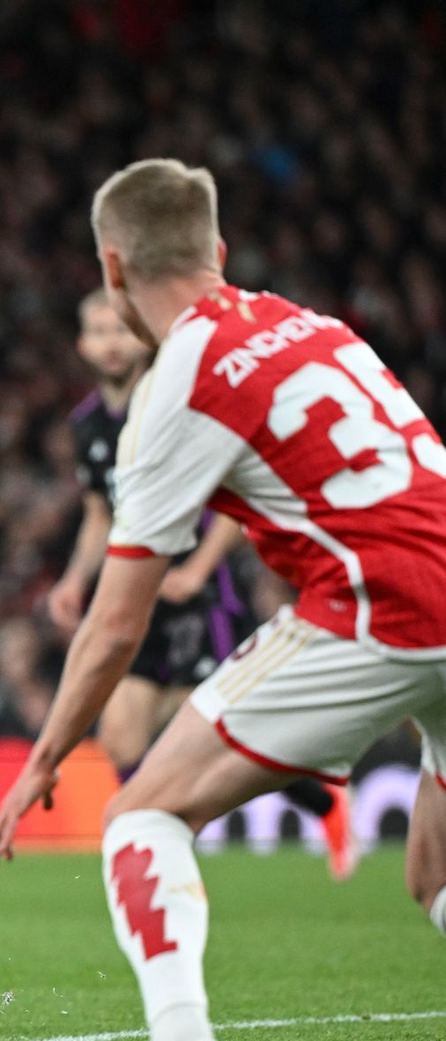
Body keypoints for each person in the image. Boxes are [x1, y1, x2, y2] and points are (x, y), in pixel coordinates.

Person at [0, 158, 446, 1041]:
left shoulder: (177, 381)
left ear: (113, 268)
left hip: (381, 605)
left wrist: (49, 756)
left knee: (142, 813)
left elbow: (114, 622)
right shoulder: (317, 326)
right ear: (218, 252)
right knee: (433, 876)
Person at [52, 290, 356, 877]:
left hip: (201, 594)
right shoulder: (85, 425)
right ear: (82, 345)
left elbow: (234, 497)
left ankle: (321, 801)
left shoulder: (176, 403)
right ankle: (152, 848)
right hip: (134, 591)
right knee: (119, 736)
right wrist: (73, 580)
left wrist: (196, 570)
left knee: (223, 733)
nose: (112, 341)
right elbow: (100, 513)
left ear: (142, 335)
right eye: (99, 331)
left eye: (121, 328)